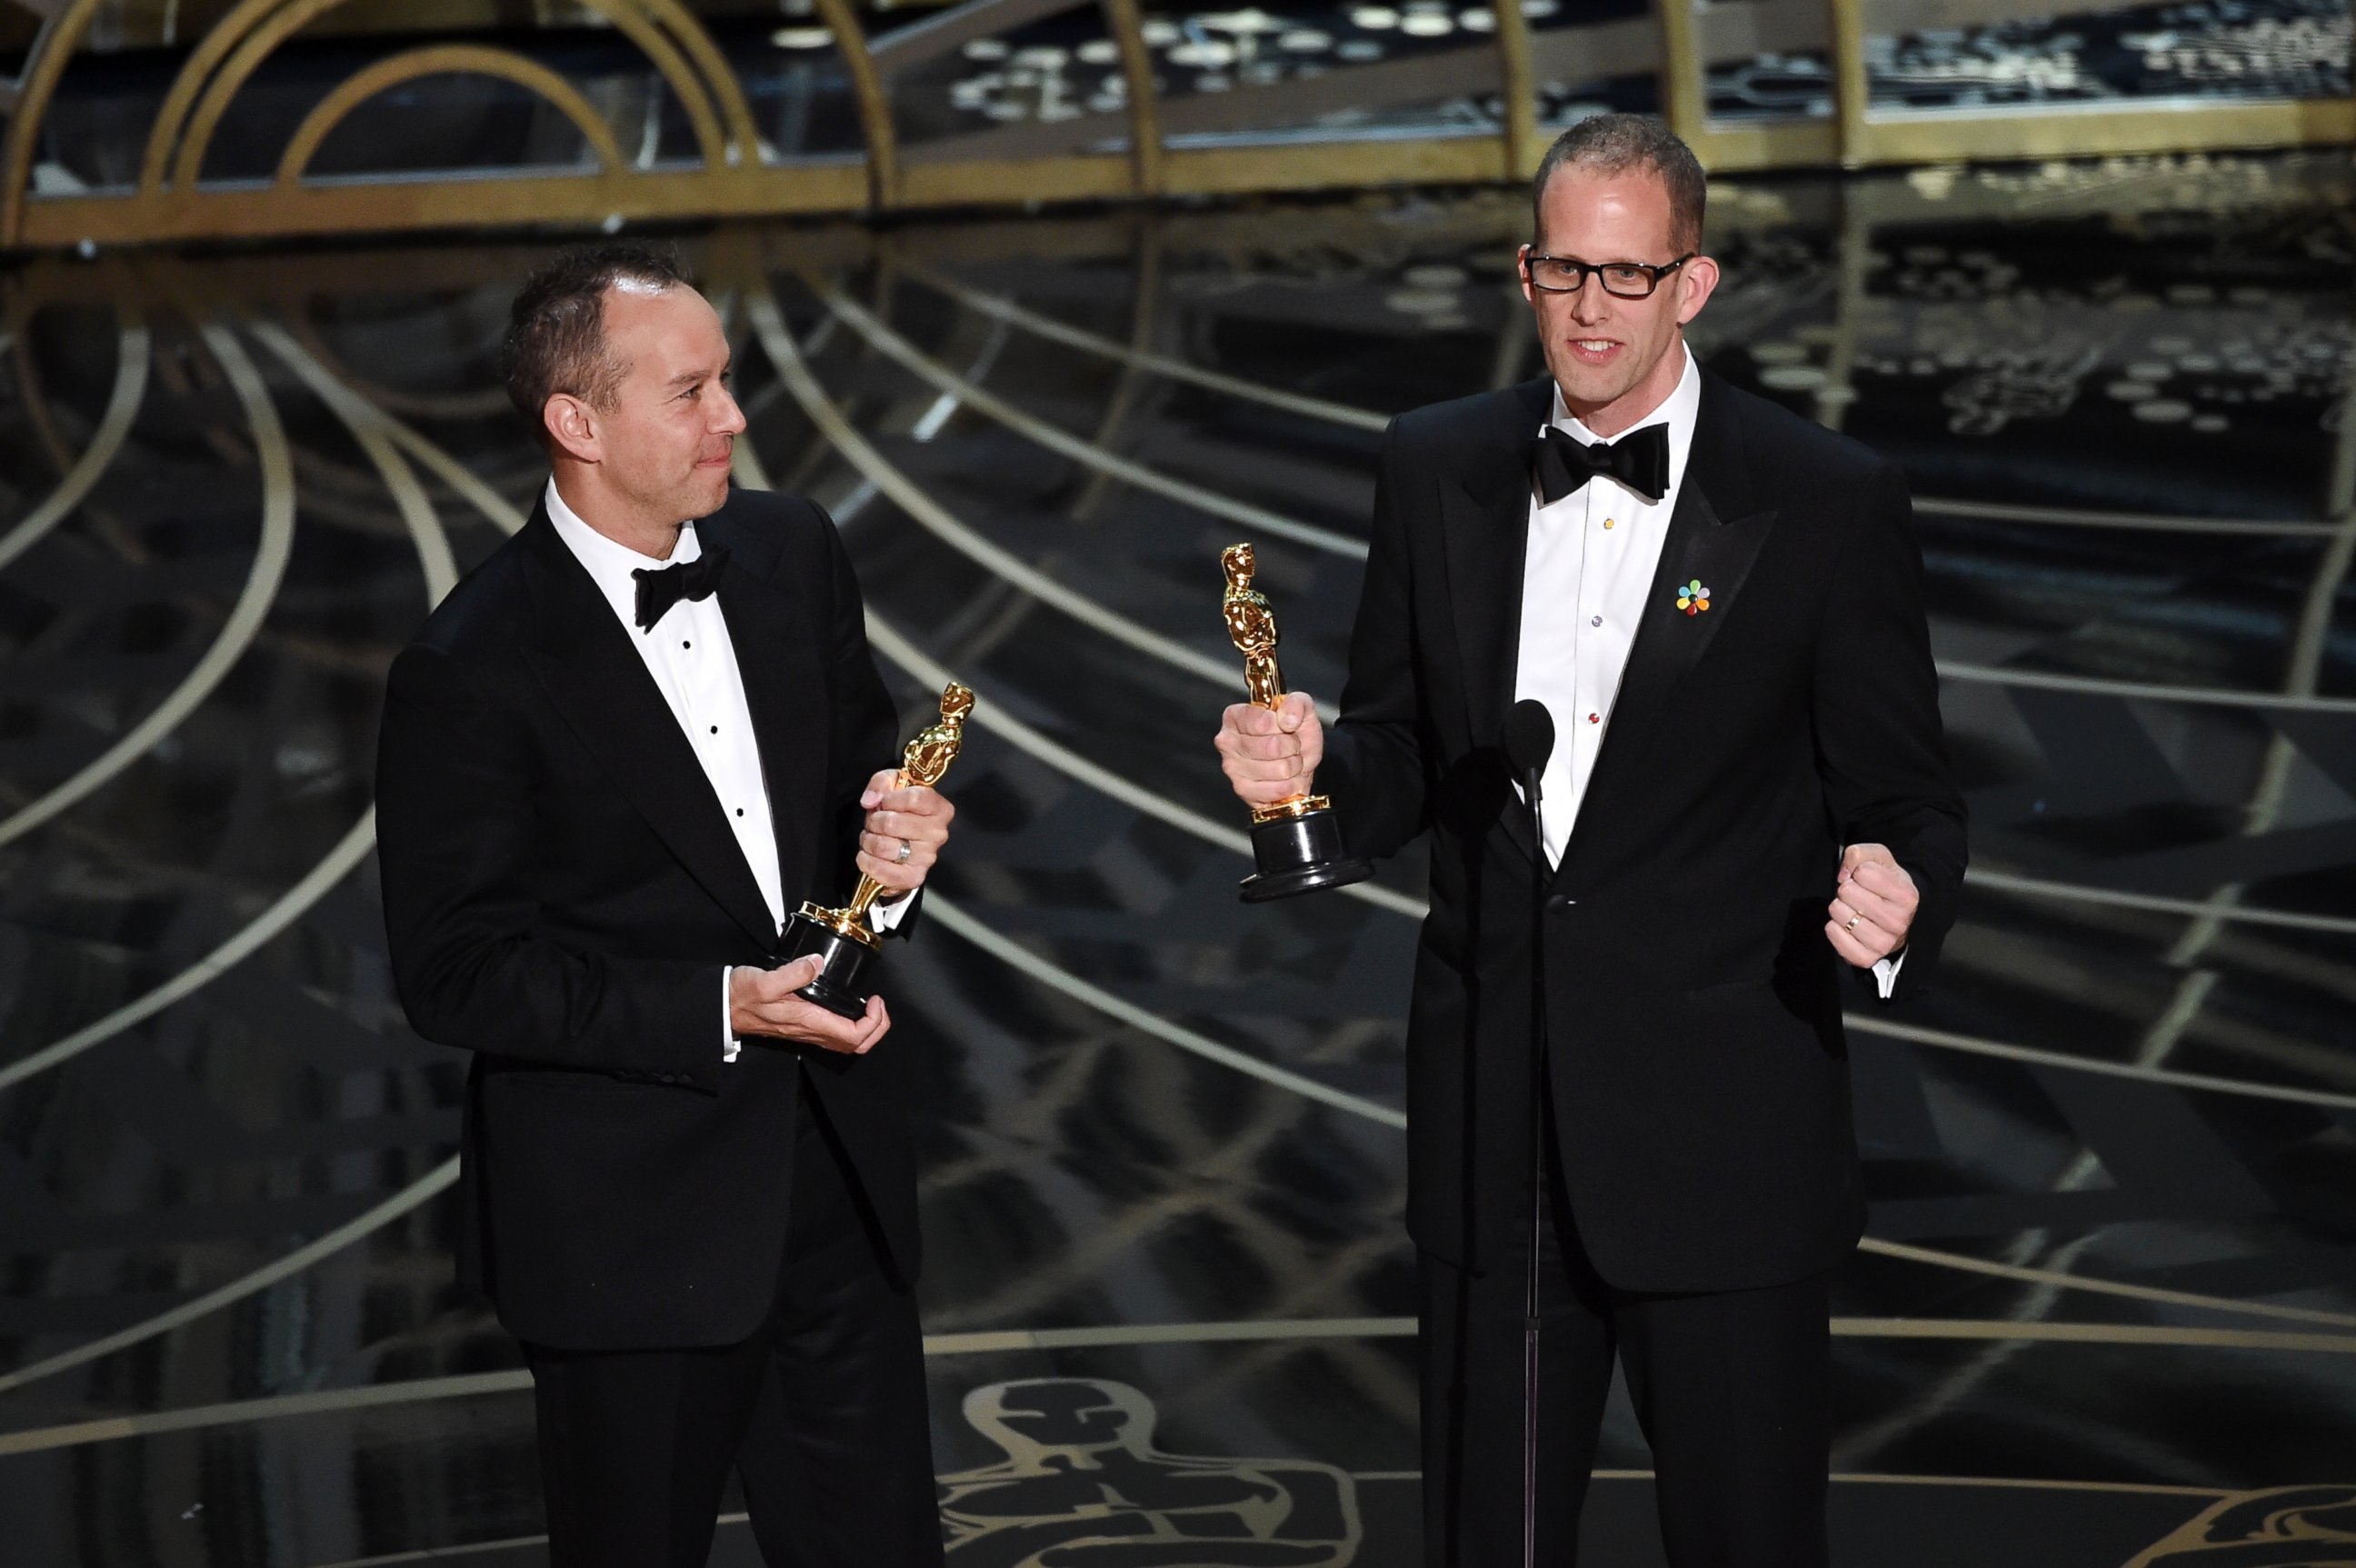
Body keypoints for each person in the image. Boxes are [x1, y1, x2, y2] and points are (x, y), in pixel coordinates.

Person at [1213, 115, 1966, 1567]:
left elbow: (1909, 796)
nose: (1593, 310)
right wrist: (1307, 771)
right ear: (1526, 271)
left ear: (1696, 284)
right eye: (1567, 271)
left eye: (1630, 276)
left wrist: (1902, 887)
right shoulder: (1435, 465)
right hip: (1498, 1141)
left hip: (1726, 1147)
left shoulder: (1823, 497)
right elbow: (1403, 753)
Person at [377, 245, 953, 1568]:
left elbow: (853, 811)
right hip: (628, 1236)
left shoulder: (793, 549)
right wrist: (718, 1008)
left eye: (728, 381)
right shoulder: (467, 667)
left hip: (832, 1188)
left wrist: (900, 857)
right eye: (690, 391)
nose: (734, 417)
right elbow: (456, 969)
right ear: (576, 423)